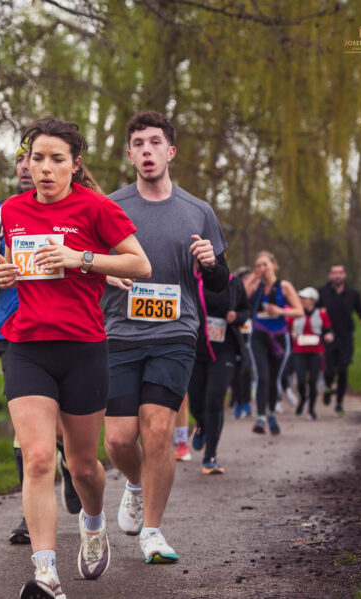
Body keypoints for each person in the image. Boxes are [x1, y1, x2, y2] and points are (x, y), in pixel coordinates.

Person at [0, 117, 150, 599]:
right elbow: (11, 262)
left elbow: (140, 264)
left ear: (74, 165)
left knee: (83, 466)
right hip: (26, 346)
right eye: (36, 158)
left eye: (56, 159)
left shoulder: (96, 208)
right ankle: (46, 574)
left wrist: (79, 258)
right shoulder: (12, 210)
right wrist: (2, 273)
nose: (45, 168)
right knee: (39, 457)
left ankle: (94, 521)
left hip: (83, 347)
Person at [102, 110, 229, 564]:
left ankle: (152, 531)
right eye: (138, 143)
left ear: (170, 151)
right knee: (117, 440)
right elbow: (92, 266)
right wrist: (106, 276)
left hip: (175, 333)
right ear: (130, 153)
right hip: (119, 333)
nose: (147, 151)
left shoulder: (198, 212)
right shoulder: (111, 208)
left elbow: (220, 285)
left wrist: (211, 261)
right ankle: (135, 485)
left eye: (155, 142)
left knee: (157, 429)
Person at [0, 145, 82, 546]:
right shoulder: (3, 213)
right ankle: (28, 514)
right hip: (12, 328)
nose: (28, 167)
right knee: (26, 430)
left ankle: (72, 465)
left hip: (63, 328)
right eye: (25, 160)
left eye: (36, 159)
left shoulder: (75, 207)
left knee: (61, 423)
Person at [188, 259, 251, 474]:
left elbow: (246, 311)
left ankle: (210, 456)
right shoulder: (189, 279)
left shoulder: (233, 283)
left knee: (214, 401)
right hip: (195, 350)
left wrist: (237, 316)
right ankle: (202, 426)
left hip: (224, 350)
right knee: (196, 402)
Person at [242, 251, 303, 435]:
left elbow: (299, 311)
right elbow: (240, 298)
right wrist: (253, 278)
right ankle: (260, 418)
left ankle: (271, 415)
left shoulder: (284, 287)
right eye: (258, 265)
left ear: (274, 266)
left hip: (279, 338)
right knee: (262, 376)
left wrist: (280, 310)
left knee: (274, 378)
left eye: (265, 264)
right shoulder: (256, 286)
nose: (262, 268)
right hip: (259, 335)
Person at [317, 263, 361, 415]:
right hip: (328, 336)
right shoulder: (322, 292)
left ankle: (339, 403)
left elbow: (360, 309)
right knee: (328, 371)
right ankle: (328, 388)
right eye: (334, 273)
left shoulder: (352, 293)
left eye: (340, 272)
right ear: (330, 275)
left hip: (346, 336)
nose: (337, 275)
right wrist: (324, 331)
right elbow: (316, 313)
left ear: (344, 275)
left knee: (343, 370)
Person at [287, 288, 333, 420]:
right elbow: (288, 327)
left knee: (313, 381)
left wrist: (329, 335)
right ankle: (302, 399)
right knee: (300, 381)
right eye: (300, 298)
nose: (301, 301)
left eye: (304, 298)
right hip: (299, 351)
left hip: (316, 352)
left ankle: (311, 409)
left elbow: (327, 329)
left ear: (313, 300)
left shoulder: (321, 314)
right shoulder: (295, 313)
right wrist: (291, 333)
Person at [230, 266, 257, 420]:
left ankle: (246, 402)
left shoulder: (256, 295)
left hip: (252, 336)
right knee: (236, 372)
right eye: (244, 279)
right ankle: (238, 402)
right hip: (236, 335)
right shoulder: (235, 291)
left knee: (246, 371)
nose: (247, 281)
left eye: (249, 278)